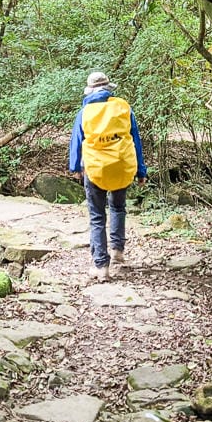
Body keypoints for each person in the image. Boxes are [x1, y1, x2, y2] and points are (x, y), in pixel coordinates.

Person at [68, 71, 147, 281]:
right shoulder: (122, 107)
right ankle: (118, 250)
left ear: (90, 90)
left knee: (96, 216)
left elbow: (76, 142)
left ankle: (101, 266)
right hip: (122, 166)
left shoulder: (85, 112)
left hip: (95, 169)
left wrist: (75, 167)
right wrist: (141, 170)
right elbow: (135, 140)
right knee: (118, 207)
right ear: (108, 88)